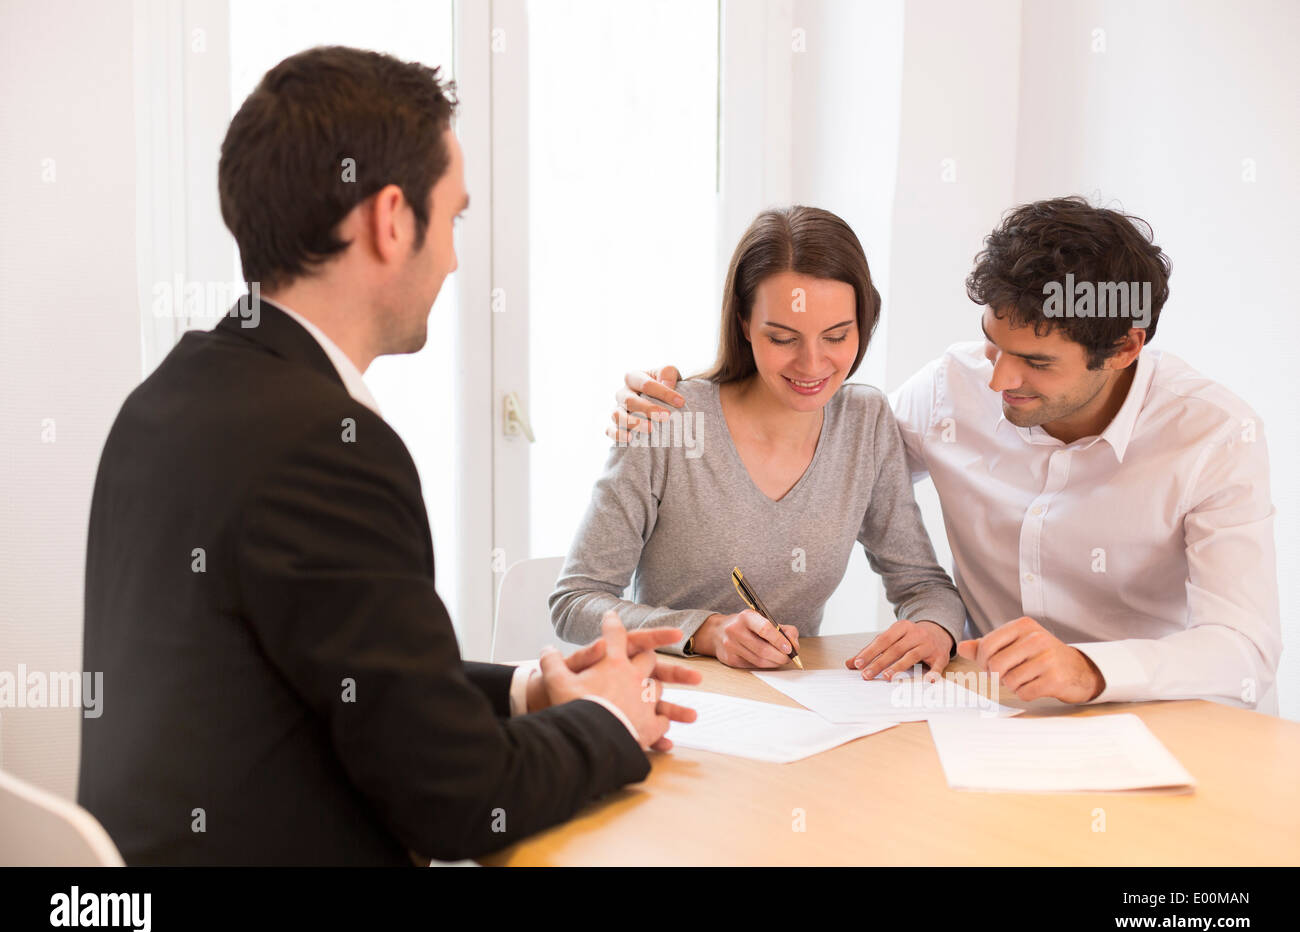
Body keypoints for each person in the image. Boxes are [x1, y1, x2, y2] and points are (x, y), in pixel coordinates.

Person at [78, 45, 699, 866]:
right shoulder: (323, 448)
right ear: (391, 218)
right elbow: (461, 805)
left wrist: (524, 691)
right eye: (455, 219)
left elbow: (330, 674)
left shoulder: (168, 398)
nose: (450, 258)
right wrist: (609, 719)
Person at [610, 197, 1281, 711]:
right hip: (990, 715)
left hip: (1165, 720)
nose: (998, 381)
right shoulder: (949, 390)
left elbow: (1245, 650)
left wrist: (1091, 669)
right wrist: (673, 411)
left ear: (1126, 348)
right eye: (994, 344)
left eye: (1035, 363)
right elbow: (822, 452)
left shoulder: (1213, 436)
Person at [552, 206, 967, 673]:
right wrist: (706, 633)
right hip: (672, 698)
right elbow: (574, 603)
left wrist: (934, 629)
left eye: (836, 335)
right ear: (745, 323)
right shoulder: (667, 418)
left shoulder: (864, 421)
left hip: (794, 705)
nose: (812, 365)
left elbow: (924, 586)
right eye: (782, 338)